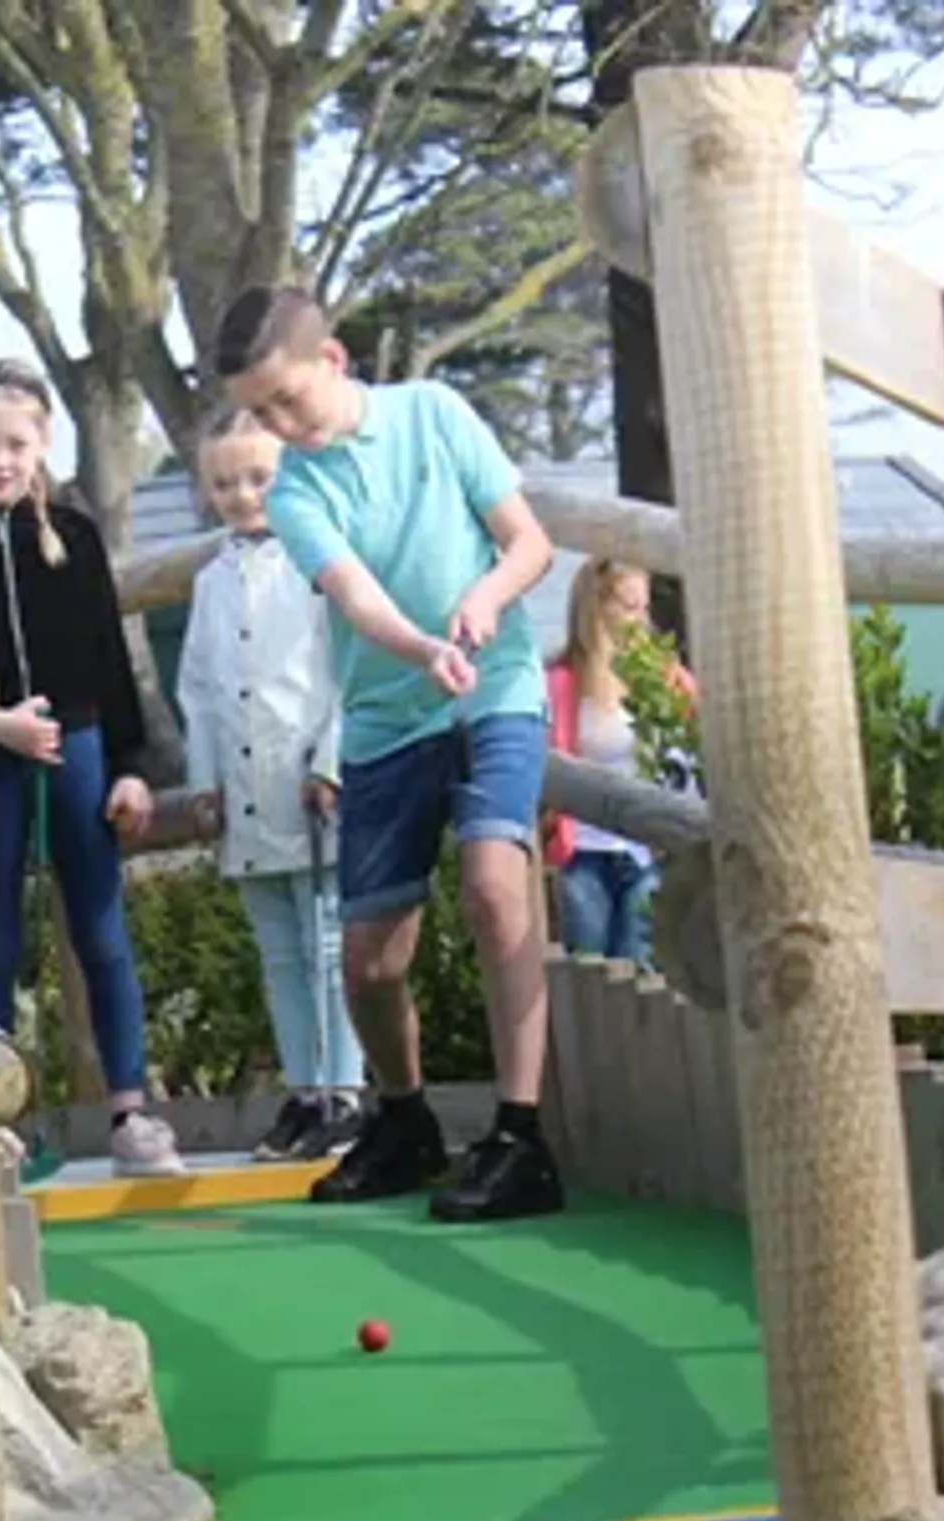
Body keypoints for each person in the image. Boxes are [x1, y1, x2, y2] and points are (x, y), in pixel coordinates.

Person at [212, 283, 562, 1222]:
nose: (281, 424)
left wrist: (486, 602)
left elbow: (529, 543)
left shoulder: (436, 415)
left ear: (333, 362)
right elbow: (358, 599)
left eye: (288, 400)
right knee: (368, 959)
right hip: (384, 717)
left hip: (495, 692)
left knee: (495, 883)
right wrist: (422, 648)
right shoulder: (294, 490)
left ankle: (521, 1134)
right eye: (260, 412)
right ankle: (404, 1123)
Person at [0, 356, 185, 1179]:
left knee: (100, 928)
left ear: (43, 442)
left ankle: (131, 1112)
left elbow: (110, 658)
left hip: (79, 750)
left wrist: (132, 767)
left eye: (16, 443)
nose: (0, 459)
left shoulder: (79, 539)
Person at [176, 404, 366, 1162]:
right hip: (247, 794)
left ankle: (344, 1093)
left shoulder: (318, 560)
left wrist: (331, 761)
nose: (243, 493)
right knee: (280, 953)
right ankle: (304, 1090)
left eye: (258, 476)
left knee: (328, 942)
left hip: (310, 783)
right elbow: (196, 687)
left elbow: (347, 666)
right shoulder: (209, 582)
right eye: (225, 482)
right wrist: (204, 781)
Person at [542, 558, 699, 965]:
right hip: (583, 852)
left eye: (643, 608)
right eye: (630, 607)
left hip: (644, 849)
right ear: (597, 606)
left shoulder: (664, 677)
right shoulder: (560, 682)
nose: (640, 620)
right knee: (589, 965)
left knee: (641, 965)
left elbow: (696, 734)